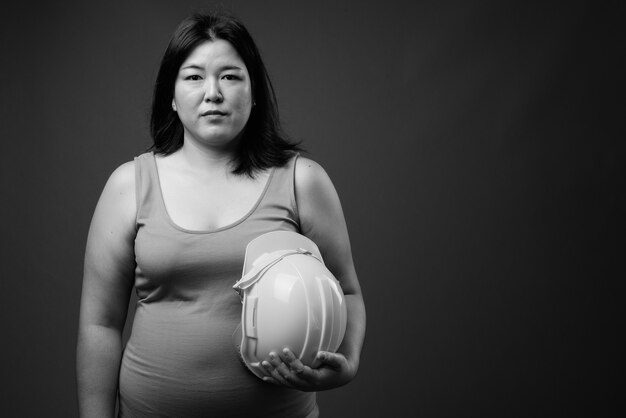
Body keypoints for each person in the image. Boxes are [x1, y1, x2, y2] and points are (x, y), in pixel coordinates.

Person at [76, 11, 365, 418]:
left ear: (254, 92)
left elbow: (347, 290)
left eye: (230, 76)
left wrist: (347, 364)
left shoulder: (303, 180)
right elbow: (100, 325)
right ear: (172, 97)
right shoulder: (129, 185)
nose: (213, 92)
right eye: (194, 77)